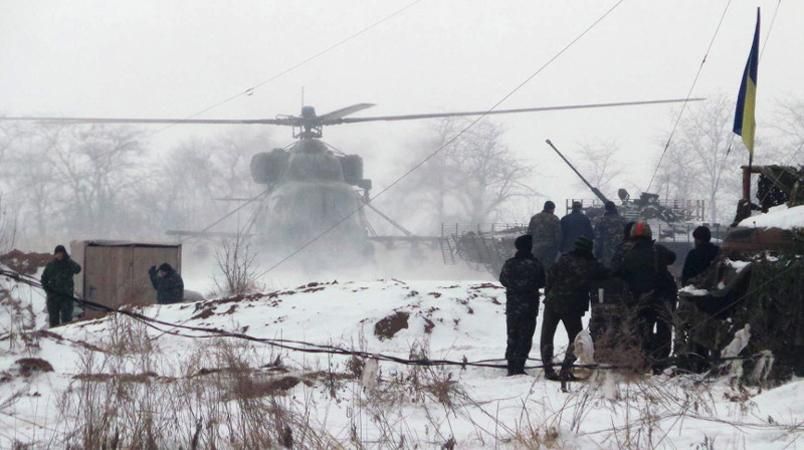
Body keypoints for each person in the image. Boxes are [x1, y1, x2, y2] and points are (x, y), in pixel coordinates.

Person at [541, 237, 608, 381]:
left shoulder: (563, 259)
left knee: (547, 336)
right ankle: (566, 369)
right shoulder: (591, 265)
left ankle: (548, 368)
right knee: (576, 339)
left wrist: (549, 292)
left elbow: (550, 276)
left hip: (552, 302)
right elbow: (606, 273)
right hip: (572, 307)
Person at [614, 221, 677, 366]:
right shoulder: (658, 250)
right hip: (663, 296)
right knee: (664, 329)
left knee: (643, 329)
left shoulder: (627, 253)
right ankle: (661, 360)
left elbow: (617, 272)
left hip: (639, 299)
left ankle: (644, 358)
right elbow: (672, 257)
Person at [499, 235, 546, 376]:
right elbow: (543, 282)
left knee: (512, 334)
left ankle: (511, 364)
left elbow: (503, 280)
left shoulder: (509, 264)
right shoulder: (536, 265)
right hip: (530, 306)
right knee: (525, 336)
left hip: (513, 306)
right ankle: (519, 365)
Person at [41, 245, 81, 327]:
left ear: (64, 254)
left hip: (66, 297)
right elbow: (43, 280)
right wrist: (48, 291)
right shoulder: (51, 266)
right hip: (53, 298)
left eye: (61, 253)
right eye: (57, 253)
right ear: (55, 254)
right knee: (53, 322)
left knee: (66, 322)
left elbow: (78, 269)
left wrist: (68, 261)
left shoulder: (69, 264)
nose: (59, 255)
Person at [528, 201, 562, 270]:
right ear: (552, 209)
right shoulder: (554, 218)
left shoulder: (534, 218)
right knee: (547, 269)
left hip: (536, 248)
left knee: (535, 268)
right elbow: (558, 235)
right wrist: (558, 247)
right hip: (549, 249)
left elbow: (529, 233)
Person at [593, 201, 627, 268]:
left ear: (606, 209)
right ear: (614, 208)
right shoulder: (623, 220)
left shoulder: (601, 221)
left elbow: (597, 239)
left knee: (607, 271)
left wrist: (597, 254)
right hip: (621, 252)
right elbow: (628, 235)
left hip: (606, 252)